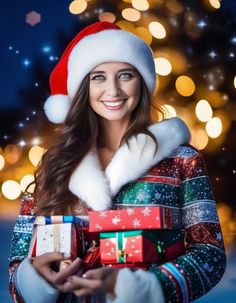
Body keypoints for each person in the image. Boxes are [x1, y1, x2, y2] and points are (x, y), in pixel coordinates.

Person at [9, 21, 226, 303]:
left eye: (125, 75)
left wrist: (140, 288)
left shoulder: (182, 160)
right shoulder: (55, 164)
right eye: (98, 77)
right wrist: (35, 279)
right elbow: (16, 270)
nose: (113, 89)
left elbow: (210, 255)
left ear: (142, 82)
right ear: (82, 87)